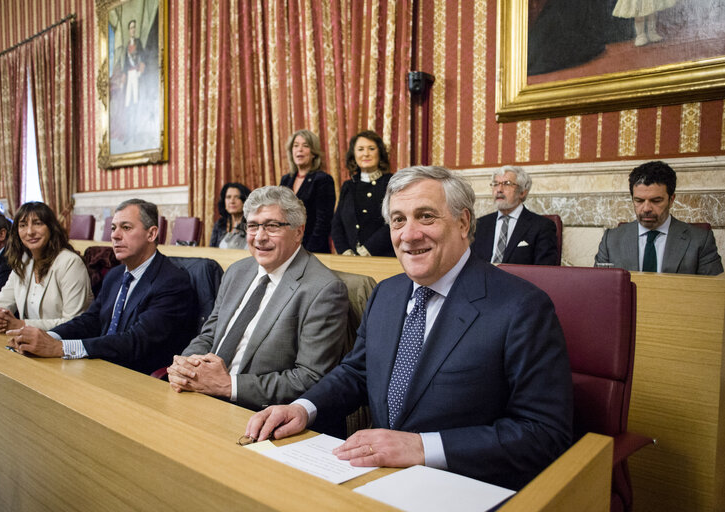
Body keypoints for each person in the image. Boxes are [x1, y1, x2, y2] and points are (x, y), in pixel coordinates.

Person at [246, 166, 573, 491]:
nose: (409, 234)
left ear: (463, 223)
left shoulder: (522, 307)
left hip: (463, 485)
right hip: (375, 478)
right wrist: (303, 408)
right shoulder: (386, 293)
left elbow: (544, 433)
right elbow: (358, 372)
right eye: (398, 220)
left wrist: (423, 447)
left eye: (426, 216)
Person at [168, 186, 348, 411]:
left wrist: (229, 386)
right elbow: (210, 335)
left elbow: (309, 378)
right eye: (253, 226)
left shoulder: (324, 289)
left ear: (298, 231)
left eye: (272, 226)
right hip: (202, 397)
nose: (260, 237)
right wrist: (185, 366)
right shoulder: (237, 271)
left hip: (255, 413)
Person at [5, 199, 199, 375]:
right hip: (101, 366)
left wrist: (60, 348)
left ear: (152, 233)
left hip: (137, 378)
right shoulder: (115, 275)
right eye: (113, 228)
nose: (114, 235)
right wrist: (47, 337)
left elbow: (135, 342)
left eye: (126, 227)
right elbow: (91, 321)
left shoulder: (172, 281)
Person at [0, 202, 93, 333]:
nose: (30, 232)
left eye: (37, 223)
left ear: (51, 228)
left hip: (62, 346)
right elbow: (1, 302)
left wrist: (20, 324)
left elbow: (74, 322)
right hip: (27, 343)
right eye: (23, 225)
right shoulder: (23, 262)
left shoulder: (70, 262)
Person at [595, 161, 723, 275]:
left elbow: (714, 293)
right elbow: (600, 288)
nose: (646, 208)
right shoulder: (611, 240)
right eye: (639, 200)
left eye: (656, 201)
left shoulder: (700, 240)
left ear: (671, 200)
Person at [471, 165, 558, 265]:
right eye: (495, 184)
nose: (499, 189)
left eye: (507, 184)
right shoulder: (479, 224)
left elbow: (544, 271)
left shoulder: (542, 226)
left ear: (522, 192)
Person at [331, 130, 395, 257]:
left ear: (380, 153)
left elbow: (394, 221)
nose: (366, 154)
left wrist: (368, 249)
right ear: (353, 155)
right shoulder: (348, 186)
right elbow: (337, 224)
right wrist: (345, 251)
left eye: (371, 149)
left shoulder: (391, 182)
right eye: (360, 149)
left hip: (383, 258)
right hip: (351, 260)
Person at [280, 130, 335, 253]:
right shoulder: (286, 179)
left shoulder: (323, 179)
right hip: (286, 248)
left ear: (313, 153)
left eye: (305, 146)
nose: (299, 149)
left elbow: (323, 222)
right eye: (296, 145)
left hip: (313, 249)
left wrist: (307, 252)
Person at [209, 182, 250, 249]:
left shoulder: (253, 223)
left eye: (237, 197)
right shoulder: (220, 224)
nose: (232, 201)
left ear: (245, 201)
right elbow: (211, 249)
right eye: (228, 197)